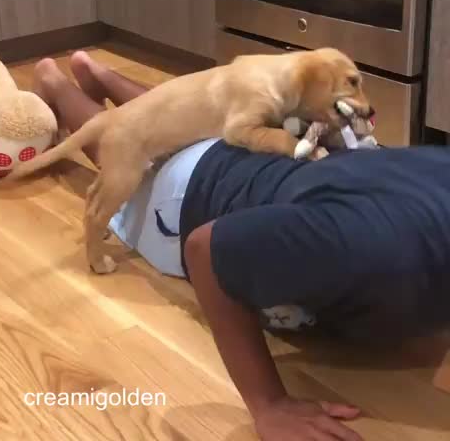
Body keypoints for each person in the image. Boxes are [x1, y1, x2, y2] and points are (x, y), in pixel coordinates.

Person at [34, 52, 450, 441]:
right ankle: (54, 83)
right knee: (126, 146)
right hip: (191, 196)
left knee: (173, 115)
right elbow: (207, 249)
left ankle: (102, 75)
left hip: (254, 151)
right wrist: (268, 404)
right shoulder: (372, 244)